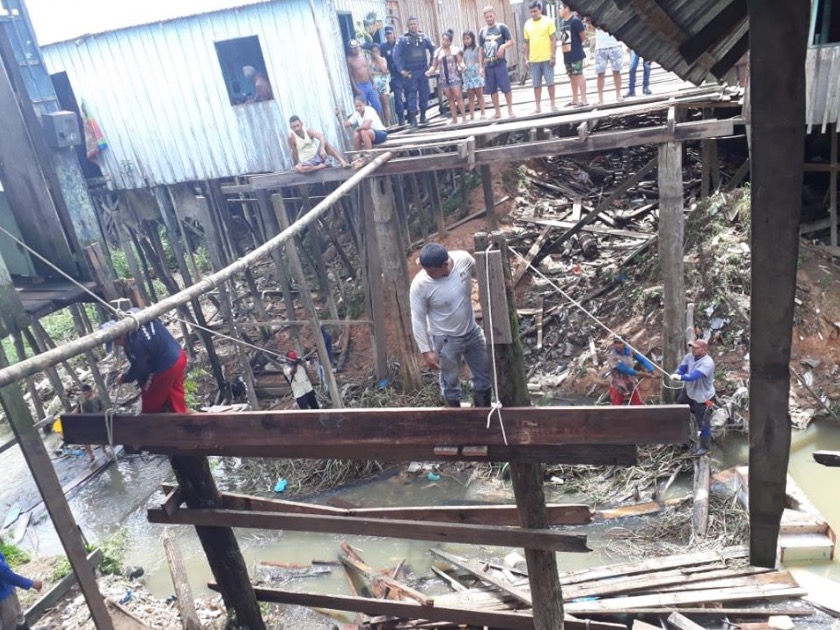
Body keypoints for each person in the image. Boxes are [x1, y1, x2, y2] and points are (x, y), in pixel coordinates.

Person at [409, 243, 492, 408]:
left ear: (445, 265)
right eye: (426, 270)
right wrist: (426, 352)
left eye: (432, 271)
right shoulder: (420, 285)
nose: (428, 274)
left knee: (484, 375)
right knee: (450, 381)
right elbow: (417, 319)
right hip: (445, 339)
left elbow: (483, 274)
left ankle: (483, 414)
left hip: (472, 332)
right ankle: (454, 415)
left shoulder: (463, 260)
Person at [105, 315, 188, 414]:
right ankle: (181, 416)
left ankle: (150, 421)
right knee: (174, 393)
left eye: (115, 342)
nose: (116, 345)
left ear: (121, 336)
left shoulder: (136, 343)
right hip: (179, 356)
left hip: (167, 366)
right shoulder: (138, 317)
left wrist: (124, 378)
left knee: (150, 400)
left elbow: (141, 368)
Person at [670, 338, 716, 455]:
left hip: (703, 396)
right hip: (689, 391)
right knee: (679, 408)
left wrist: (681, 377)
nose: (693, 350)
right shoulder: (689, 357)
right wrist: (677, 374)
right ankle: (682, 436)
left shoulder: (708, 363)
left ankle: (705, 447)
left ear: (704, 349)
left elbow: (694, 376)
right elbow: (682, 368)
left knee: (703, 422)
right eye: (692, 347)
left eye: (696, 348)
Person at [394, 17, 436, 128]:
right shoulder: (403, 40)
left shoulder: (424, 38)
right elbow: (396, 55)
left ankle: (423, 116)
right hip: (410, 73)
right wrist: (401, 70)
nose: (413, 26)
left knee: (424, 95)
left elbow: (434, 50)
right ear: (407, 26)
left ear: (417, 24)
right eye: (410, 24)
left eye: (414, 24)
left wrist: (432, 65)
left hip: (423, 71)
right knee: (411, 96)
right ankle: (413, 120)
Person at [478, 5, 516, 119]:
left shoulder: (502, 27)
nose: (489, 19)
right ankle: (497, 111)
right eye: (487, 17)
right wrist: (481, 66)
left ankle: (510, 109)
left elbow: (512, 41)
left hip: (500, 63)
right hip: (488, 64)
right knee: (492, 89)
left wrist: (503, 46)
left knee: (506, 87)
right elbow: (481, 49)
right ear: (484, 18)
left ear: (494, 15)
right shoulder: (482, 31)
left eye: (491, 16)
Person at [523, 1, 557, 113]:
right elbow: (526, 43)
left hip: (547, 58)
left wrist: (553, 56)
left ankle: (553, 103)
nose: (533, 14)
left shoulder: (548, 21)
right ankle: (538, 106)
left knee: (550, 82)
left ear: (540, 10)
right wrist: (526, 58)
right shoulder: (527, 24)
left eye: (535, 11)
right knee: (536, 84)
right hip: (534, 60)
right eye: (531, 12)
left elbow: (553, 39)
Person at [427, 29, 466, 125]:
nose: (444, 42)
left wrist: (463, 67)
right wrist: (429, 72)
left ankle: (464, 117)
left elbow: (460, 61)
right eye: (443, 39)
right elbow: (434, 65)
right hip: (444, 78)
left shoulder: (455, 50)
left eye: (447, 40)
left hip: (454, 76)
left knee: (458, 97)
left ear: (450, 41)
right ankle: (454, 118)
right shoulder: (437, 52)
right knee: (450, 99)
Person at [0, 545, 42, 630]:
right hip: (3, 596)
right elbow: (4, 573)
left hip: (8, 588)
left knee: (18, 616)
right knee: (9, 622)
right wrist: (30, 583)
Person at [336, 96, 388, 163]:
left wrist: (357, 128)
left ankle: (369, 155)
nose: (358, 108)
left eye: (360, 106)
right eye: (356, 106)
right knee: (356, 134)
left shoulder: (369, 110)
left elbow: (366, 126)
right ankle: (358, 155)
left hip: (380, 134)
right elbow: (345, 125)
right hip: (369, 136)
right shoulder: (356, 113)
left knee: (363, 131)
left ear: (364, 104)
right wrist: (339, 116)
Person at [608, 337, 655, 406]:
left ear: (624, 343)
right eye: (616, 343)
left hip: (631, 383)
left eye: (620, 343)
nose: (617, 345)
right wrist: (643, 374)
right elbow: (625, 370)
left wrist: (652, 369)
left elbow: (641, 359)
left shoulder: (629, 350)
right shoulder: (613, 356)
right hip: (618, 385)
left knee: (638, 405)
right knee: (616, 406)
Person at [558, 3, 588, 107]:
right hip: (567, 54)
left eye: (560, 8)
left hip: (576, 52)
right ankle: (575, 99)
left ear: (566, 8)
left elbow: (583, 36)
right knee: (571, 75)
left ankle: (584, 99)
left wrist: (577, 45)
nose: (559, 10)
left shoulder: (575, 21)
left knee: (579, 74)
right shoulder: (562, 22)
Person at [346, 40, 384, 116]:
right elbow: (351, 76)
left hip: (368, 84)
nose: (355, 49)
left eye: (356, 47)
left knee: (377, 106)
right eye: (353, 48)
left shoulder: (363, 56)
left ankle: (377, 122)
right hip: (359, 85)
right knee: (364, 108)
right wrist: (355, 88)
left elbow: (368, 70)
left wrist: (373, 82)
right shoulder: (349, 59)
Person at [381, 26, 406, 125]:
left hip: (404, 73)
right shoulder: (383, 47)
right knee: (397, 96)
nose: (389, 36)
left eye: (390, 33)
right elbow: (374, 48)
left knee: (409, 94)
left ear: (394, 34)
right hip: (394, 75)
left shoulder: (400, 44)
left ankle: (412, 115)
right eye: (387, 34)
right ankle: (401, 118)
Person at [594, 26, 624, 104]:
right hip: (600, 46)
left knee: (617, 71)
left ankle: (618, 94)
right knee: (600, 73)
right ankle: (600, 98)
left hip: (614, 44)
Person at [461, 30, 485, 120]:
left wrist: (481, 69)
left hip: (476, 71)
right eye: (464, 39)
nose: (466, 41)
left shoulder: (477, 48)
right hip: (468, 73)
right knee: (470, 95)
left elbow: (481, 60)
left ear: (472, 38)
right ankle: (472, 114)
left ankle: (483, 113)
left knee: (479, 94)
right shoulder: (463, 50)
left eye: (468, 38)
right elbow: (462, 62)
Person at [78, 384, 105, 463]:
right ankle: (91, 455)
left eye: (86, 394)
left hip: (95, 420)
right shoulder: (81, 398)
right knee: (85, 440)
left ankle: (104, 450)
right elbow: (78, 407)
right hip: (85, 421)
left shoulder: (96, 398)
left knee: (100, 437)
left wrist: (101, 415)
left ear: (90, 392)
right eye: (83, 394)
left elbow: (102, 407)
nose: (85, 396)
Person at [369, 44, 392, 126]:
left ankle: (388, 123)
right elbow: (369, 73)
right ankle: (379, 124)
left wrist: (378, 59)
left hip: (383, 84)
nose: (374, 53)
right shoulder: (369, 61)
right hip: (374, 84)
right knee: (377, 105)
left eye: (376, 51)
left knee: (385, 103)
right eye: (373, 51)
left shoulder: (382, 60)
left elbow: (384, 70)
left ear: (379, 51)